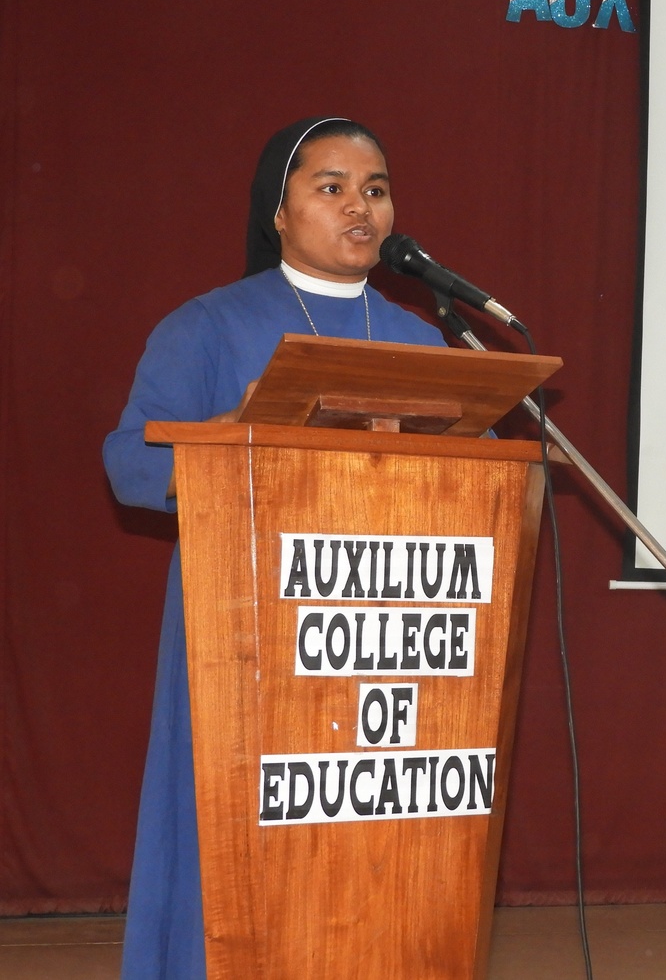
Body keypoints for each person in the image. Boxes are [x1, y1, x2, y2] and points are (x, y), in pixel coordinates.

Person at [104, 117, 447, 979]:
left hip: (388, 640)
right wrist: (234, 432)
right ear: (279, 213)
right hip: (249, 635)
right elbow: (128, 462)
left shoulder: (422, 341)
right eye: (332, 187)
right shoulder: (208, 326)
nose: (360, 206)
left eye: (375, 189)